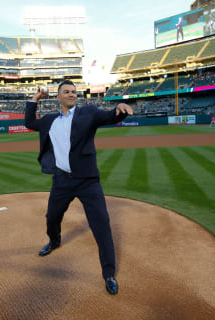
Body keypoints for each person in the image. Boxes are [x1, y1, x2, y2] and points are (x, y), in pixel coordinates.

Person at [24, 80, 133, 295]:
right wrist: (34, 99)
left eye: (74, 92)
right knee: (52, 217)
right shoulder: (49, 120)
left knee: (101, 223)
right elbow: (29, 122)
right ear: (58, 97)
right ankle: (54, 241)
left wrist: (120, 111)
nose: (72, 94)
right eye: (66, 92)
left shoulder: (88, 113)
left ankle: (109, 273)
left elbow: (109, 116)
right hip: (62, 181)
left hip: (87, 181)